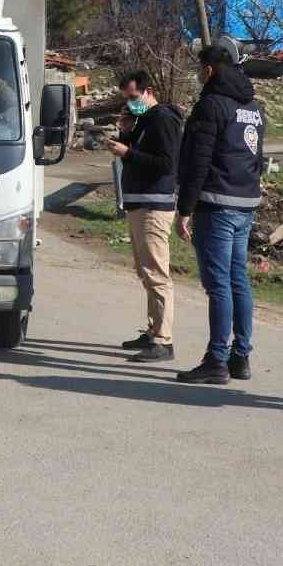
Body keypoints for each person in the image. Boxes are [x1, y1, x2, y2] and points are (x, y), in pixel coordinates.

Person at [175, 39, 264, 385]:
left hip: (216, 204)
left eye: (201, 69)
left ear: (210, 70)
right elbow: (257, 157)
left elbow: (198, 161)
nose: (199, 74)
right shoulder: (253, 106)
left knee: (219, 285)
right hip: (245, 203)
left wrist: (184, 208)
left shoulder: (211, 105)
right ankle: (240, 356)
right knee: (238, 279)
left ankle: (216, 358)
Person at [110, 70, 182, 363]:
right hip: (139, 203)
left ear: (148, 91)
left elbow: (166, 163)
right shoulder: (143, 120)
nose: (129, 102)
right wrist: (127, 133)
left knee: (156, 272)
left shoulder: (163, 119)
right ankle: (154, 330)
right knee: (145, 272)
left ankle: (164, 340)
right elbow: (141, 155)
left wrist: (127, 152)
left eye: (133, 97)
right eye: (126, 98)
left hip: (155, 205)